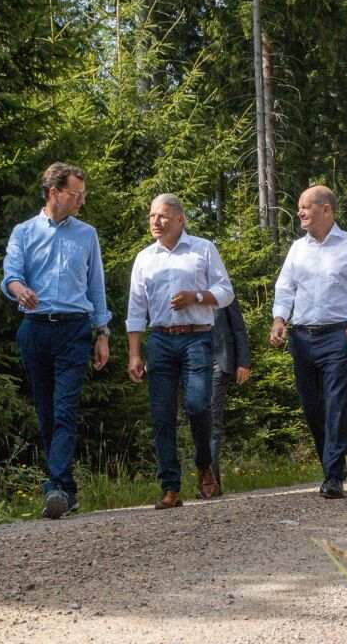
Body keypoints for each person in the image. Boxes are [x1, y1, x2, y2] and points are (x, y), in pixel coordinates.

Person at [0, 162, 111, 520]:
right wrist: (19, 289)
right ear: (53, 192)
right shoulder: (24, 232)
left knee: (65, 408)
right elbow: (10, 275)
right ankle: (66, 489)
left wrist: (103, 333)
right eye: (76, 195)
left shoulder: (87, 234)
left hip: (74, 329)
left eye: (83, 195)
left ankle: (56, 487)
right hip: (34, 329)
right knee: (46, 411)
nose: (81, 202)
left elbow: (96, 286)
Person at [126, 194, 235, 509]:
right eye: (151, 216)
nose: (155, 222)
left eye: (161, 216)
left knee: (198, 404)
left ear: (179, 219)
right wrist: (135, 353)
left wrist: (196, 297)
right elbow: (136, 309)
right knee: (162, 414)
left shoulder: (203, 249)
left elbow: (226, 292)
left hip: (197, 337)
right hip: (160, 340)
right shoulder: (144, 258)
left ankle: (204, 465)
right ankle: (170, 487)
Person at [271, 186, 347, 499]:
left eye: (306, 207)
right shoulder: (297, 249)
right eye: (299, 207)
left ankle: (332, 476)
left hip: (337, 336)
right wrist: (279, 320)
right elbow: (285, 288)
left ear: (326, 209)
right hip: (302, 337)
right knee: (312, 408)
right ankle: (336, 462)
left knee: (335, 403)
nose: (300, 212)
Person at [209, 299, 251, 495]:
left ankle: (211, 483)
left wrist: (243, 362)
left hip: (218, 361)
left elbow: (238, 327)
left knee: (212, 421)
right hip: (191, 360)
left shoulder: (222, 288)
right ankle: (207, 479)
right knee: (197, 419)